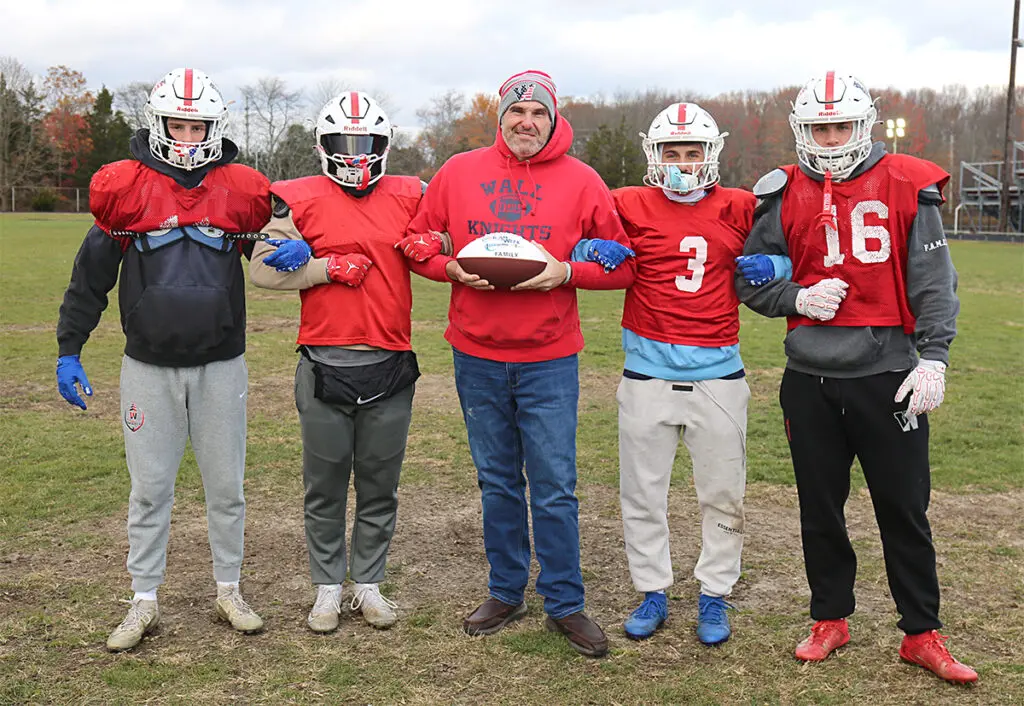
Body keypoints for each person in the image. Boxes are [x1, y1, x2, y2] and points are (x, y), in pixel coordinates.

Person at [735, 71, 976, 684]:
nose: (831, 138)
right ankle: (830, 618)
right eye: (820, 128)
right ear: (802, 130)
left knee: (904, 508)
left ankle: (921, 632)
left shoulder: (907, 181)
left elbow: (934, 282)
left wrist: (934, 356)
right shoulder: (781, 191)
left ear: (863, 125)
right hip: (809, 375)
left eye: (841, 125)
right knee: (819, 508)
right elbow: (749, 280)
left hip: (888, 373)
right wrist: (795, 298)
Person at [403, 69, 634, 658]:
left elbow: (624, 265)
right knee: (497, 480)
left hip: (548, 358)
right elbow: (416, 243)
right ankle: (506, 590)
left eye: (538, 114)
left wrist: (567, 272)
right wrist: (448, 268)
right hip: (476, 353)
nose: (526, 122)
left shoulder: (583, 180)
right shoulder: (458, 172)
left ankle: (565, 601)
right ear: (501, 116)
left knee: (554, 486)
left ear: (553, 121)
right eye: (516, 112)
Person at [56, 68, 271, 651]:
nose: (188, 136)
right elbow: (89, 280)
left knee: (226, 488)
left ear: (214, 128)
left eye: (197, 126)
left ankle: (229, 589)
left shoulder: (240, 189)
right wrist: (70, 349)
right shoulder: (126, 189)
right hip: (148, 365)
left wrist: (286, 245)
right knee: (150, 490)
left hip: (221, 363)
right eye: (178, 124)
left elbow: (270, 249)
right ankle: (143, 598)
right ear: (159, 123)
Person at [574, 102, 763, 645]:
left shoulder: (741, 206)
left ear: (711, 153)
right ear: (654, 155)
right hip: (646, 373)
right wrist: (589, 246)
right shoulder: (627, 202)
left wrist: (777, 264)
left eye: (692, 151)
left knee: (723, 494)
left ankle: (714, 595)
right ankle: (652, 590)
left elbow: (792, 248)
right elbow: (574, 234)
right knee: (642, 493)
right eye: (671, 152)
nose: (682, 162)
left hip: (719, 374)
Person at [250, 92, 431, 634]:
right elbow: (262, 270)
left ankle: (368, 583)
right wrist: (323, 268)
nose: (355, 153)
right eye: (343, 142)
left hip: (389, 360)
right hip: (324, 361)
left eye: (365, 142)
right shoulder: (297, 198)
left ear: (384, 144)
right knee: (324, 486)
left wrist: (437, 239)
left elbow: (449, 236)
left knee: (379, 485)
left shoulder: (412, 194)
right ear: (322, 145)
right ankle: (328, 586)